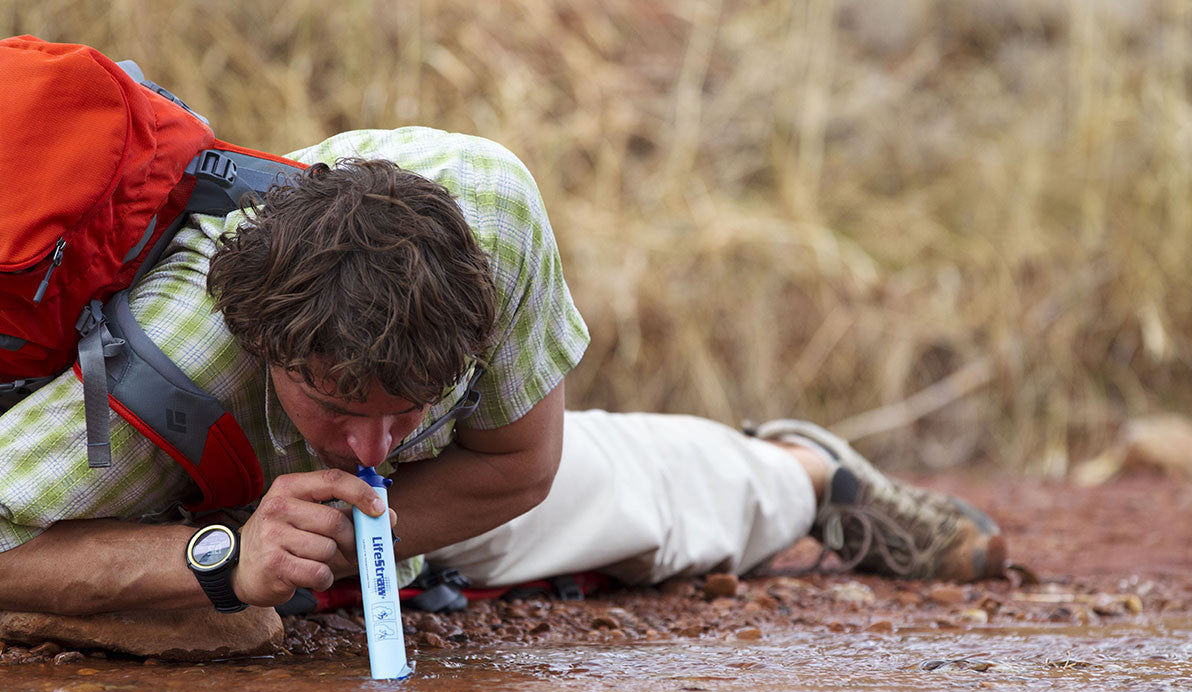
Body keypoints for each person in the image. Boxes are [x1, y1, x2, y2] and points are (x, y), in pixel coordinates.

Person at [0, 128, 1005, 634]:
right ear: (263, 348)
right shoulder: (166, 369)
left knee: (631, 505)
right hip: (175, 474)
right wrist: (220, 556)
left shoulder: (494, 213)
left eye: (407, 409)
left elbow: (520, 464)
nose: (376, 445)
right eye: (339, 408)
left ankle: (803, 473)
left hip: (443, 487)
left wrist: (356, 537)